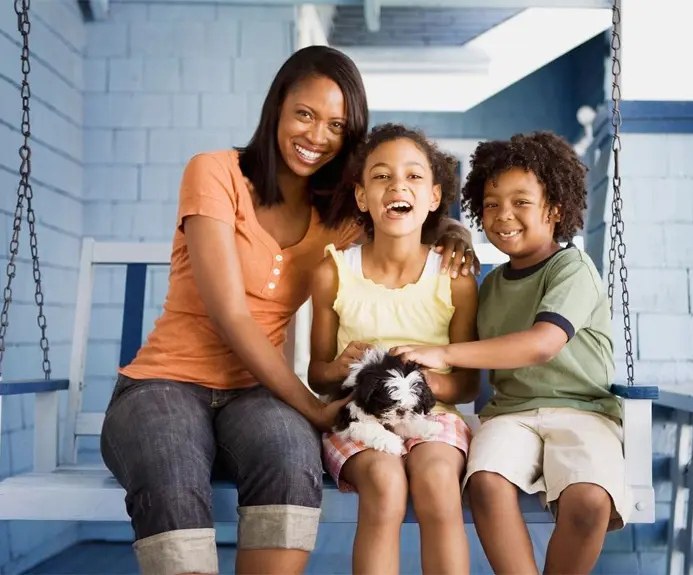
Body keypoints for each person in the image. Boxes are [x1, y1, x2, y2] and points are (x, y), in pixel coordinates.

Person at [99, 46, 477, 575]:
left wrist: (453, 231)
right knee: (172, 475)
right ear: (277, 105)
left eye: (337, 125)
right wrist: (314, 406)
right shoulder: (215, 172)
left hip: (256, 394)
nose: (317, 136)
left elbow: (400, 217)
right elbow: (231, 313)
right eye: (305, 114)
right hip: (164, 382)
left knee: (289, 459)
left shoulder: (338, 217)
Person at [392, 131, 628, 575]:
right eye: (492, 203)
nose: (504, 215)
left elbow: (542, 344)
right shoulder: (493, 283)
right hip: (510, 415)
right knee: (484, 484)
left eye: (522, 202)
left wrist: (445, 354)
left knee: (590, 501)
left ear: (555, 209)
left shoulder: (572, 269)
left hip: (584, 412)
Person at [307, 123, 480, 575]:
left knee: (438, 479)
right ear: (362, 197)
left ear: (435, 196)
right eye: (381, 176)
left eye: (413, 176)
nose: (398, 185)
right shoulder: (334, 272)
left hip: (432, 414)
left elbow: (465, 384)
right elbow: (317, 374)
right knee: (384, 482)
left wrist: (421, 381)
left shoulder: (454, 277)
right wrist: (339, 367)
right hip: (356, 419)